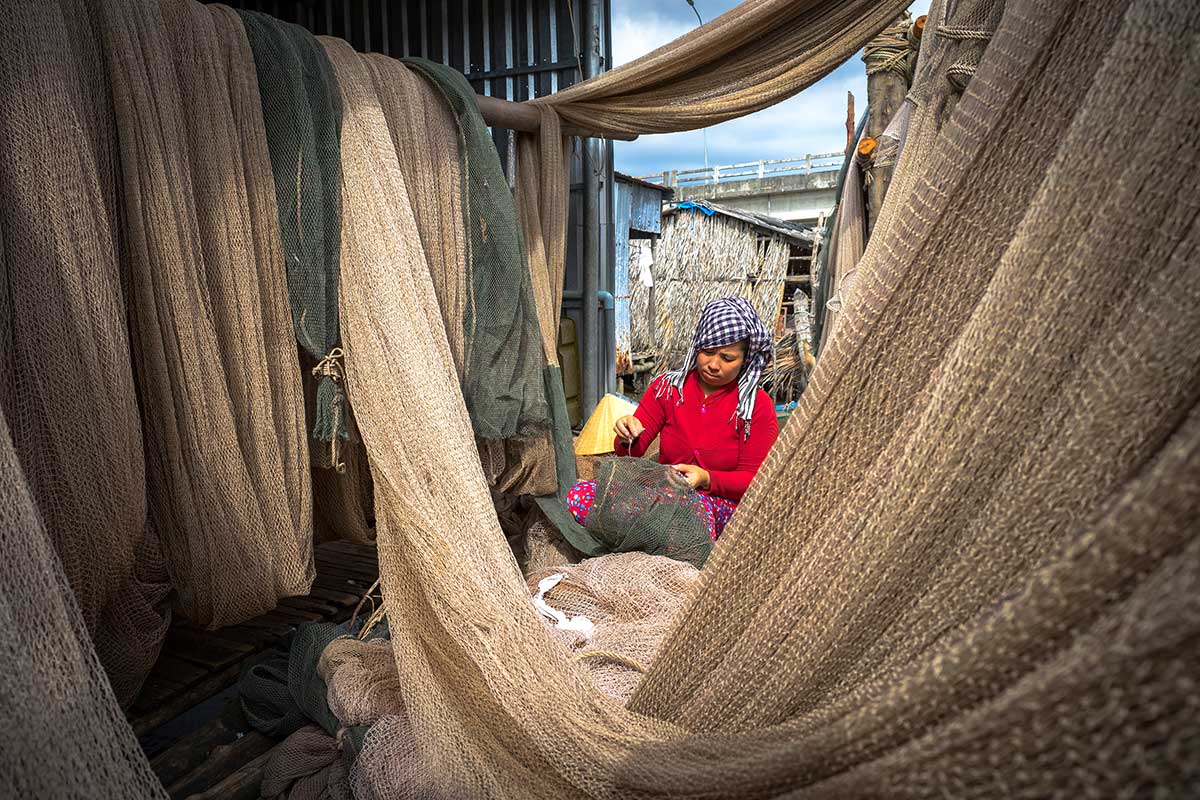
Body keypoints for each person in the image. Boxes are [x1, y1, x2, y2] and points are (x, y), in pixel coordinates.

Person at [566, 296, 779, 540]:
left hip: (718, 505)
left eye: (727, 358)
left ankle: (651, 535)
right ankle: (648, 534)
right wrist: (626, 435)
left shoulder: (756, 406)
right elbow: (632, 452)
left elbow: (755, 481)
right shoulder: (667, 388)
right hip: (663, 493)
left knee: (691, 514)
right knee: (580, 495)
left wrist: (706, 479)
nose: (713, 364)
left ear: (746, 360)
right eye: (707, 352)